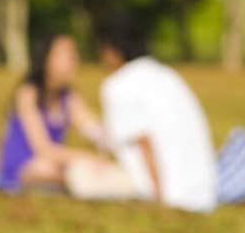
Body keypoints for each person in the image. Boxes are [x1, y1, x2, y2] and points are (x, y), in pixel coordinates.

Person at [64, 13, 218, 212]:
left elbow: (144, 143)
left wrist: (160, 199)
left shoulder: (118, 85)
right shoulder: (168, 75)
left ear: (113, 50)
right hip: (206, 192)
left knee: (77, 174)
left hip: (171, 194)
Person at [0, 33, 110, 191]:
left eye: (74, 54)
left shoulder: (69, 97)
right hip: (27, 167)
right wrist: (89, 158)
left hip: (55, 164)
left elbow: (93, 128)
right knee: (49, 169)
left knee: (79, 170)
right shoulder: (27, 94)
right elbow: (44, 149)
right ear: (47, 59)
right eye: (67, 55)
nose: (74, 60)